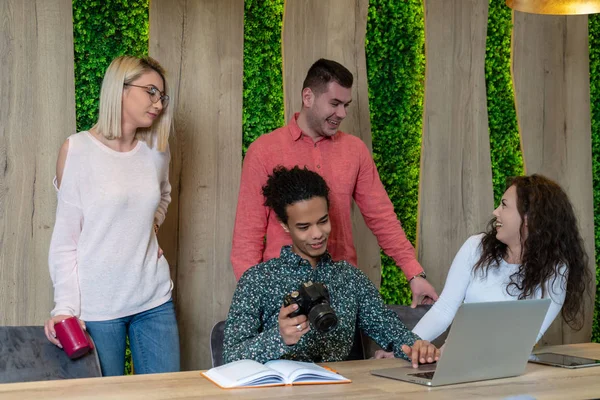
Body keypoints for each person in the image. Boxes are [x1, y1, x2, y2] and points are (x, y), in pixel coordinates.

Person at [231, 58, 438, 307]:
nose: (342, 114)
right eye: (335, 104)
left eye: (346, 105)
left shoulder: (355, 151)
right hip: (283, 298)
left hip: (342, 293)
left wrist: (414, 273)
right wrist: (254, 303)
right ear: (308, 97)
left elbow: (382, 217)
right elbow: (247, 237)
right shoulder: (264, 151)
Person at [223, 166, 440, 368]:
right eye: (304, 227)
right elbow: (230, 357)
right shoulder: (258, 279)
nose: (317, 234)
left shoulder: (350, 278)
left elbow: (392, 331)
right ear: (284, 225)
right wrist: (279, 338)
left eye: (323, 221)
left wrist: (417, 346)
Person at [44, 56, 179, 376]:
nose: (158, 103)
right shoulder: (76, 150)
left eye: (162, 95)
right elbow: (66, 240)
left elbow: (163, 196)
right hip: (98, 307)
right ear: (120, 89)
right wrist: (65, 309)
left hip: (154, 299)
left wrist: (152, 226)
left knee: (167, 396)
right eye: (150, 91)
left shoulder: (157, 149)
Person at [412, 174, 591, 343]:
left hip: (509, 367)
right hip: (458, 360)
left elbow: (527, 336)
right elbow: (443, 310)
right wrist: (405, 346)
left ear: (529, 217)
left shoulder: (555, 269)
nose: (495, 211)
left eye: (504, 205)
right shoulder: (475, 247)